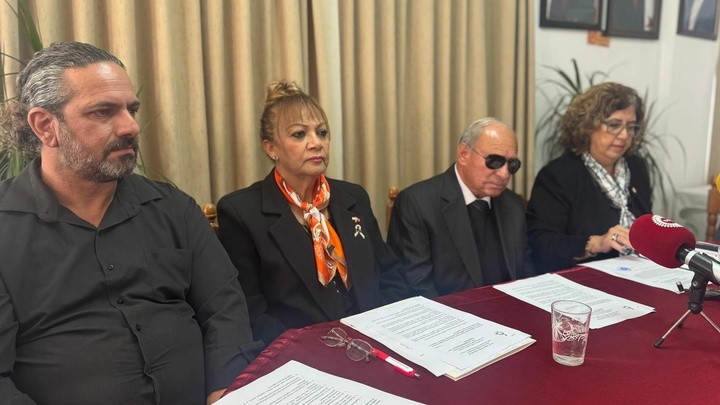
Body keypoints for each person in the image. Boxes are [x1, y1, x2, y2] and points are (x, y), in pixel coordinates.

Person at [0, 42, 261, 405]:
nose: (131, 127)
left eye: (132, 109)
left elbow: (224, 307)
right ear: (46, 126)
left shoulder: (172, 208)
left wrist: (226, 388)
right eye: (103, 112)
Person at [216, 81, 407, 345]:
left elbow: (390, 274)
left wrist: (384, 331)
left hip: (375, 339)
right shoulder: (242, 212)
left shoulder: (353, 197)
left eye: (322, 132)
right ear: (271, 148)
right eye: (299, 134)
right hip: (304, 351)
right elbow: (252, 313)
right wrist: (317, 349)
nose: (316, 143)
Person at [387, 117, 535, 298]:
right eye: (494, 161)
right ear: (464, 154)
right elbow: (417, 288)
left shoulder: (513, 204)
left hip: (507, 309)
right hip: (447, 312)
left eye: (512, 164)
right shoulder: (417, 204)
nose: (504, 174)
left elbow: (526, 276)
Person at [527, 82, 652, 274]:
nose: (624, 135)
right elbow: (541, 245)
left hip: (637, 271)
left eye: (631, 127)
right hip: (582, 278)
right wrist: (596, 243)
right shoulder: (559, 174)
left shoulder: (636, 167)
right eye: (614, 125)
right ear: (587, 127)